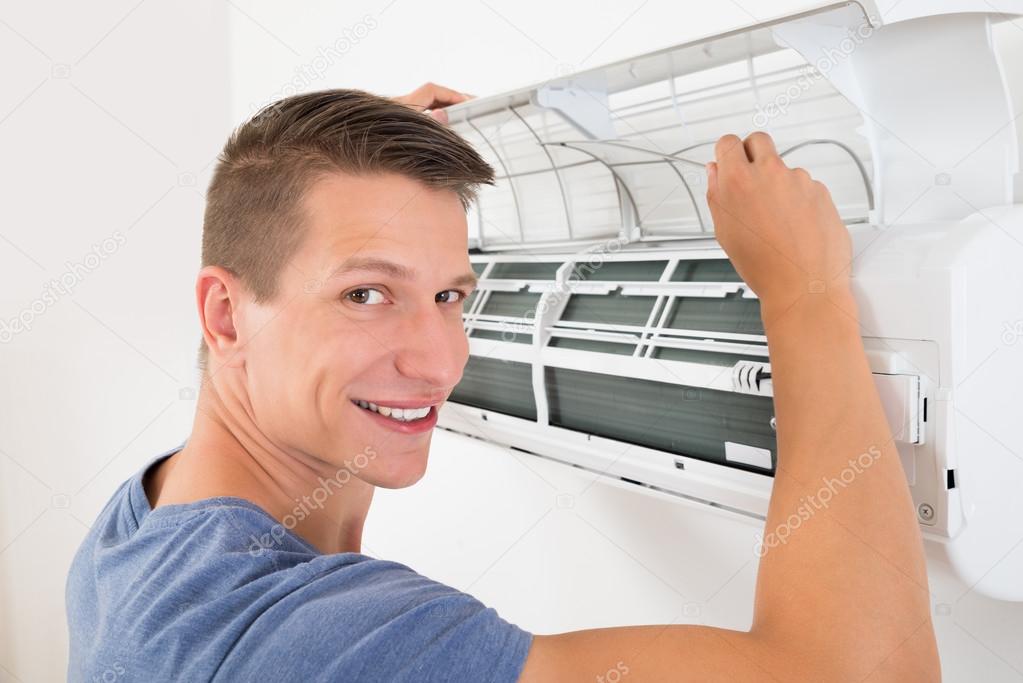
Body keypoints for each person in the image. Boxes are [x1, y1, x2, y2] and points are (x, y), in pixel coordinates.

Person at [66, 82, 941, 681]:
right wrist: (805, 293)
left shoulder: (135, 535)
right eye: (366, 293)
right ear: (224, 314)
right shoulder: (310, 639)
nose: (439, 360)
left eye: (448, 294)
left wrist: (336, 155)